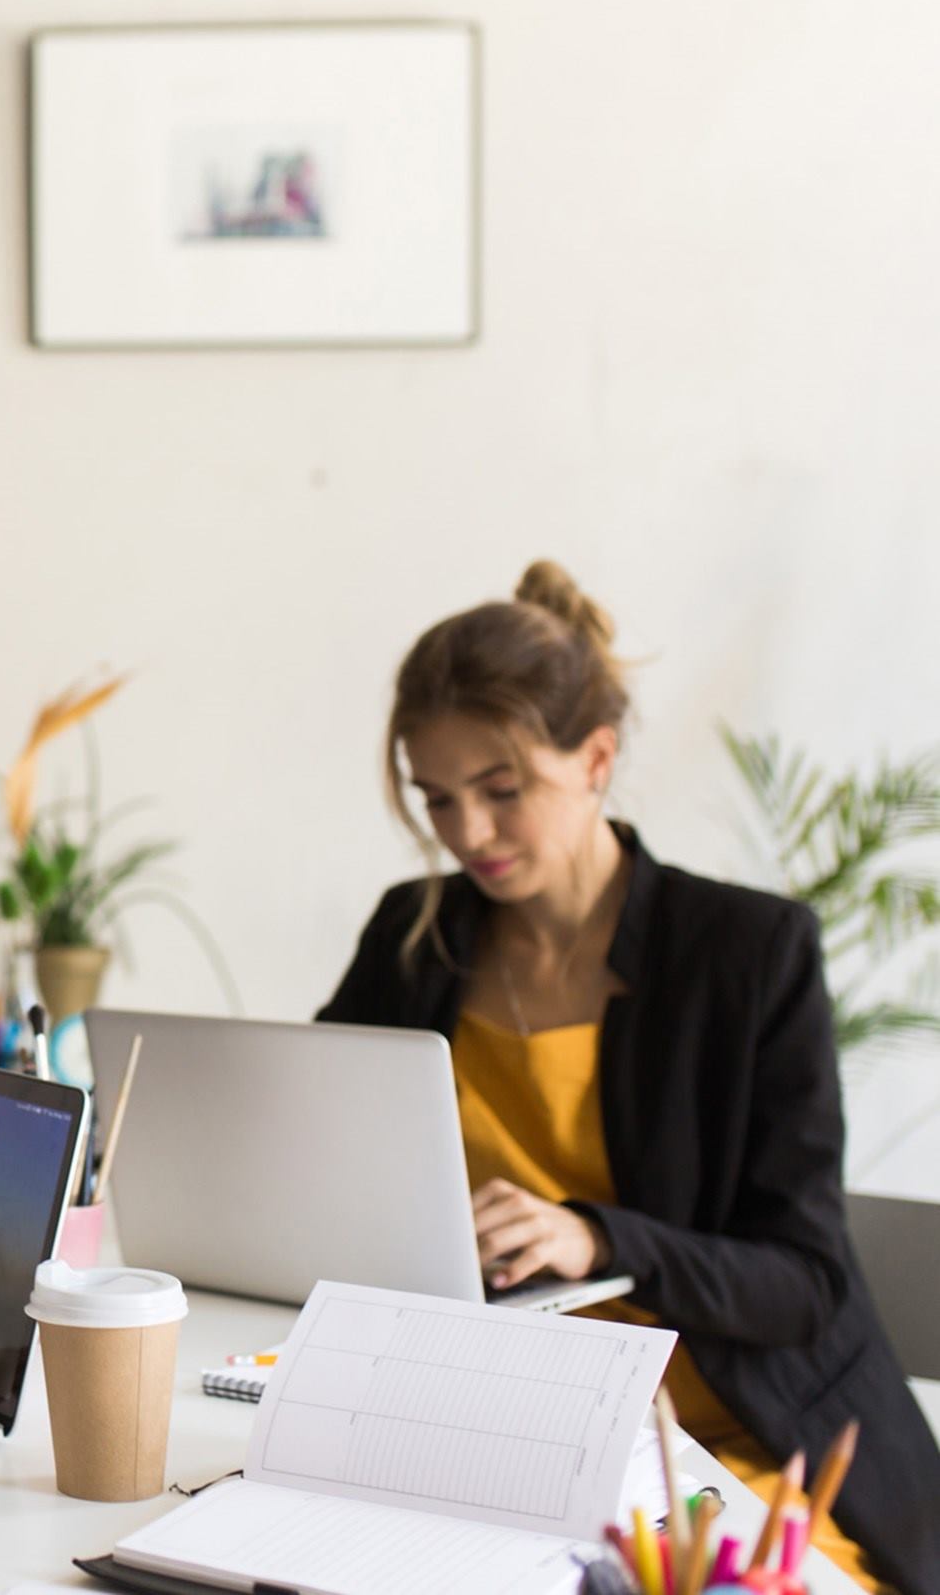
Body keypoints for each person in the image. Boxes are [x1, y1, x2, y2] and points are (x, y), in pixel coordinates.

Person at [319, 561, 940, 1595]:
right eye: (436, 798)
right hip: (500, 1438)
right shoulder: (413, 936)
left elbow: (805, 1281)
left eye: (500, 791)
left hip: (730, 1448)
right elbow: (323, 1160)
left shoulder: (747, 953)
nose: (466, 834)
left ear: (596, 758)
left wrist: (598, 1238)